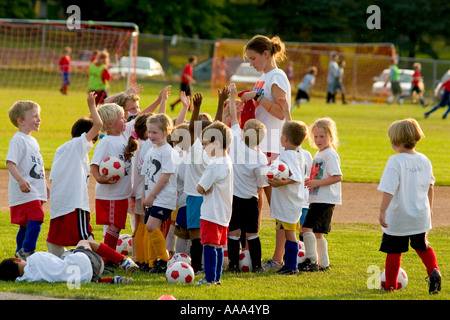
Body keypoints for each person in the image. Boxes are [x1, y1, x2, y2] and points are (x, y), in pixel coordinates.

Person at [240, 35, 291, 270]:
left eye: (253, 58)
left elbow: (282, 113)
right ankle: (250, 250)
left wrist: (257, 97)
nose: (251, 63)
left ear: (266, 54)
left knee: (276, 205)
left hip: (272, 147)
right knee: (255, 201)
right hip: (261, 146)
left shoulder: (276, 77)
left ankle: (279, 257)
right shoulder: (264, 77)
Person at [378, 119, 441, 294]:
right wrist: (430, 209)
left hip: (399, 217)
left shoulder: (395, 161)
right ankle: (434, 271)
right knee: (422, 246)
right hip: (420, 215)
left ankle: (390, 286)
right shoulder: (424, 159)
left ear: (396, 141)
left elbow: (389, 190)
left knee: (394, 252)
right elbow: (430, 187)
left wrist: (382, 212)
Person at [46, 92, 102, 257]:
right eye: (93, 140)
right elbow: (98, 125)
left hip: (59, 202)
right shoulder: (79, 145)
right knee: (86, 237)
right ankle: (99, 261)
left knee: (54, 240)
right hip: (75, 201)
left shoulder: (62, 148)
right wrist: (92, 105)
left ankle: (63, 259)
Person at [183, 89, 226, 274]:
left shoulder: (198, 148)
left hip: (195, 196)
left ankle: (198, 267)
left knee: (198, 236)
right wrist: (220, 102)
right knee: (206, 236)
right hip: (206, 196)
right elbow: (218, 125)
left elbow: (199, 128)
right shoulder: (208, 149)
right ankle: (203, 267)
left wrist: (197, 107)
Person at [227, 83, 268, 272]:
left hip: (234, 198)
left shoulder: (235, 140)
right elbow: (261, 183)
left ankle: (234, 265)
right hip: (251, 199)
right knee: (252, 233)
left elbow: (234, 119)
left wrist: (233, 95)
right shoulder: (260, 156)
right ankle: (257, 266)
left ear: (244, 131)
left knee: (234, 233)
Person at [267, 100, 307, 275]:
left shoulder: (287, 155)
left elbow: (296, 177)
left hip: (289, 203)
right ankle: (286, 263)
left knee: (291, 235)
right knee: (283, 229)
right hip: (289, 202)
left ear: (284, 139)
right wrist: (286, 112)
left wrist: (280, 182)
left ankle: (292, 267)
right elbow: (292, 131)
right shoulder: (297, 153)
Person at [6, 100, 48, 261]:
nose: (39, 119)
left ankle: (19, 254)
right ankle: (28, 250)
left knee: (25, 224)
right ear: (21, 121)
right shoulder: (18, 140)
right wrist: (20, 180)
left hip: (35, 190)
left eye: (39, 116)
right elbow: (10, 163)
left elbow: (38, 166)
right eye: (35, 116)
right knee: (37, 216)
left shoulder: (32, 140)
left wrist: (44, 185)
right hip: (25, 190)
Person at [90, 103, 133, 256]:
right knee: (114, 226)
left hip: (121, 193)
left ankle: (108, 255)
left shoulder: (122, 137)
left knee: (117, 226)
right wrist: (99, 179)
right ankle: (107, 257)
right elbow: (94, 164)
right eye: (121, 118)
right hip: (112, 194)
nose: (125, 120)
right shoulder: (105, 142)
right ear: (109, 124)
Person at [301, 118, 342, 272]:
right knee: (318, 232)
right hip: (318, 198)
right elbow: (320, 175)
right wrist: (311, 180)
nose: (318, 140)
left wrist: (316, 183)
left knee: (306, 228)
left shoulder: (330, 154)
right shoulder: (320, 153)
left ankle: (311, 261)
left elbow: (337, 176)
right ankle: (323, 264)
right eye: (315, 137)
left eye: (322, 136)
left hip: (324, 199)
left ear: (331, 136)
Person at [196, 121, 233, 285]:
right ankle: (216, 278)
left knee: (209, 244)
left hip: (212, 210)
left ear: (216, 144)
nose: (204, 148)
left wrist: (203, 188)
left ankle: (209, 278)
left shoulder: (214, 164)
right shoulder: (227, 161)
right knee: (218, 245)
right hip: (224, 212)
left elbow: (200, 187)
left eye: (205, 144)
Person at [0, 240, 138, 284]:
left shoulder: (29, 279)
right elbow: (57, 258)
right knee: (84, 242)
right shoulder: (34, 258)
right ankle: (123, 260)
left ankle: (109, 280)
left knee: (69, 276)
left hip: (86, 277)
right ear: (16, 259)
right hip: (88, 262)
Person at [141, 113, 178, 273]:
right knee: (150, 228)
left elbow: (165, 176)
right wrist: (144, 195)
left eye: (155, 132)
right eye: (149, 132)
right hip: (152, 197)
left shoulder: (168, 151)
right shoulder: (151, 151)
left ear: (166, 132)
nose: (151, 135)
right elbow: (146, 176)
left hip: (163, 198)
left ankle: (163, 261)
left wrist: (151, 195)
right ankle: (153, 262)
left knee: (151, 226)